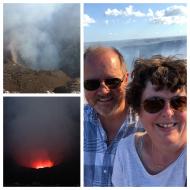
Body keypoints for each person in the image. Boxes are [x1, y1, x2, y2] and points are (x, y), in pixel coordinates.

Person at [112, 55, 187, 186]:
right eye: (154, 104)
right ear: (138, 111)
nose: (168, 112)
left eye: (179, 102)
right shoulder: (126, 151)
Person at [84, 46, 141, 186]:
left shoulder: (152, 126)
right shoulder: (74, 124)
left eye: (112, 81)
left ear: (126, 79)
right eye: (92, 84)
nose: (103, 91)